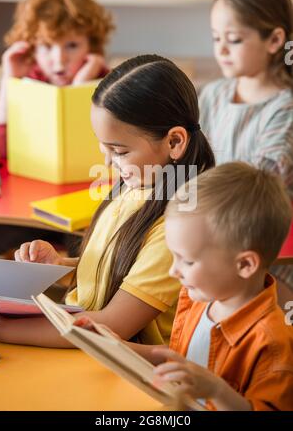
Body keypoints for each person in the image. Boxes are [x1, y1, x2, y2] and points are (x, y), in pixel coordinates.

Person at [0, 54, 215, 348]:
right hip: (84, 338)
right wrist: (63, 264)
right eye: (104, 150)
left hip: (120, 362)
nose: (109, 164)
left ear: (174, 142)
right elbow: (118, 267)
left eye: (119, 152)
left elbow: (111, 326)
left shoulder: (179, 224)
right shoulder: (138, 184)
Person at [77, 162, 293, 411]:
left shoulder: (273, 346)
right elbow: (180, 358)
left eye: (188, 261)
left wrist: (216, 390)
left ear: (245, 264)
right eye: (174, 256)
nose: (173, 271)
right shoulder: (200, 300)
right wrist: (116, 346)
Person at [199, 0, 293, 304]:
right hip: (211, 234)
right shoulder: (212, 95)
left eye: (234, 39)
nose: (221, 50)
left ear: (274, 40)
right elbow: (193, 163)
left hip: (267, 254)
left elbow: (259, 192)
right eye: (215, 38)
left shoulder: (285, 108)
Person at [0, 0, 114, 158]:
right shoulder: (32, 80)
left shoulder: (107, 81)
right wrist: (8, 80)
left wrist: (79, 90)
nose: (59, 61)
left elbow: (105, 151)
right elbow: (0, 147)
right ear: (31, 46)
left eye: (72, 45)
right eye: (47, 46)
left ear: (91, 45)